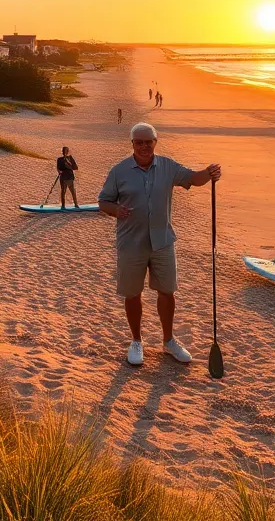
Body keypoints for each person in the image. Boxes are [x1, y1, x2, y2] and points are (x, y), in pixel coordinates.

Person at [98, 122, 221, 366]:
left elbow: (193, 179)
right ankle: (136, 341)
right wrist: (116, 210)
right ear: (132, 144)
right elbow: (104, 201)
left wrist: (209, 172)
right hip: (131, 243)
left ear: (155, 142)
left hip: (163, 241)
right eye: (139, 142)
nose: (144, 146)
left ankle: (168, 341)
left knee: (167, 291)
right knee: (132, 294)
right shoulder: (119, 171)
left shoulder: (168, 166)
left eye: (148, 142)